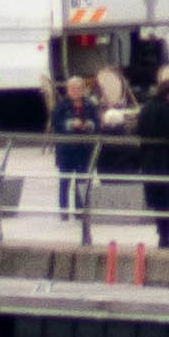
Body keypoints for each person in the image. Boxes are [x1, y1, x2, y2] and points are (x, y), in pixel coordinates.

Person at [126, 42, 169, 245]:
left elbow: (139, 129)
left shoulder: (147, 107)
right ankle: (168, 238)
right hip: (163, 162)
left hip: (148, 160)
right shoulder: (166, 109)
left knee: (159, 202)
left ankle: (164, 237)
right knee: (168, 200)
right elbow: (168, 132)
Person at [49, 57, 103, 229]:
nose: (75, 91)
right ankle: (64, 210)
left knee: (82, 180)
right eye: (72, 88)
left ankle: (80, 210)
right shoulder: (61, 105)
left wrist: (88, 125)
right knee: (65, 181)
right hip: (66, 149)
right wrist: (70, 124)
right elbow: (56, 123)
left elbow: (97, 122)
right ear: (68, 90)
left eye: (79, 88)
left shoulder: (89, 104)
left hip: (84, 149)